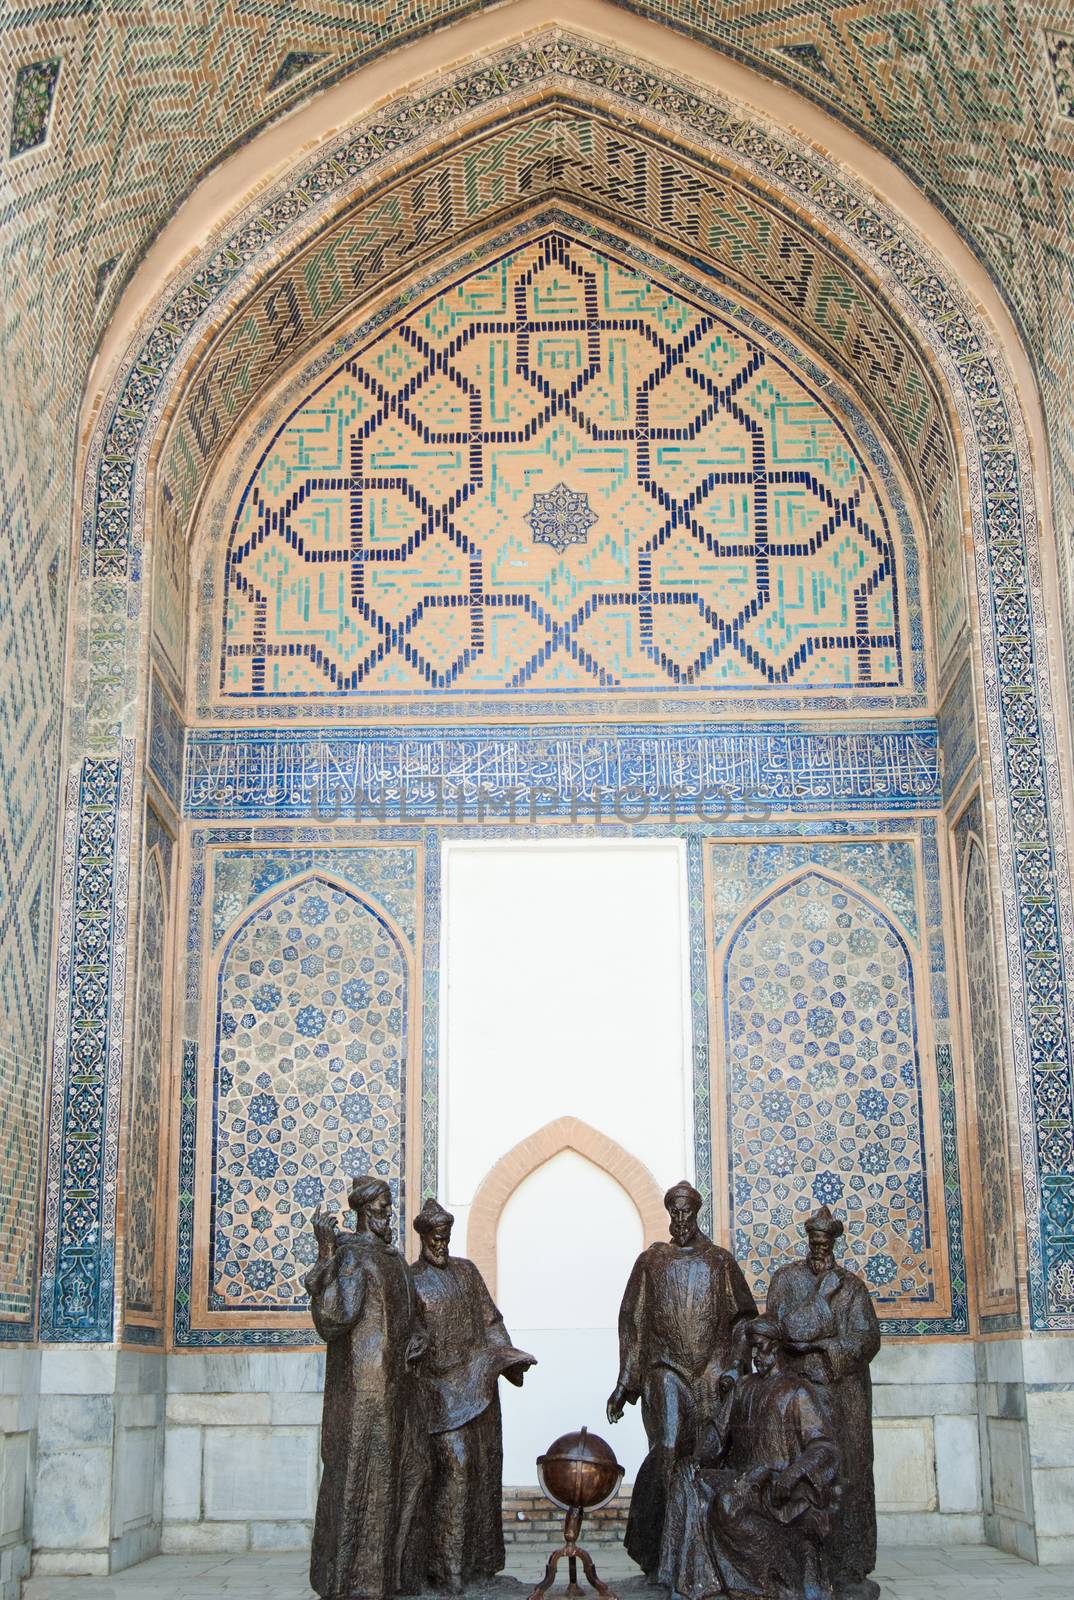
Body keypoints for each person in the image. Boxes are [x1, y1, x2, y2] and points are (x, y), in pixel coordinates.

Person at [606, 1180, 757, 1574]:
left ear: (696, 1212)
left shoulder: (720, 1261)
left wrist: (735, 1366)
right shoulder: (652, 1262)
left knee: (710, 1457)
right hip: (665, 1370)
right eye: (674, 1211)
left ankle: (705, 1555)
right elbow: (633, 1323)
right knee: (669, 1447)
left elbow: (743, 1322)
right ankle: (654, 1547)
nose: (680, 1218)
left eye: (686, 1211)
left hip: (710, 1373)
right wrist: (626, 1382)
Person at [305, 1177, 428, 1600]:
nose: (386, 1214)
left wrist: (417, 1337)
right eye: (379, 1207)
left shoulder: (391, 1258)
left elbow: (409, 1317)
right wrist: (325, 1255)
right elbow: (334, 1318)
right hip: (365, 1390)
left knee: (407, 1472)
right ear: (362, 1210)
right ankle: (354, 1582)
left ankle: (390, 1577)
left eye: (388, 1206)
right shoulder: (353, 1258)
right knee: (362, 1477)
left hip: (398, 1386)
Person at [658, 1318, 842, 1600]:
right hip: (744, 1478)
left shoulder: (797, 1391)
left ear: (776, 1346)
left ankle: (773, 1575)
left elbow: (824, 1446)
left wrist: (794, 1473)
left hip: (779, 1488)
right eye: (752, 1348)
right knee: (686, 1480)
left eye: (759, 1347)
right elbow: (718, 1434)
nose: (755, 1355)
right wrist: (697, 1457)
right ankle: (692, 1584)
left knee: (728, 1504)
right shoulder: (743, 1387)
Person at [410, 1198, 536, 1593]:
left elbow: (490, 1320)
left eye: (445, 1237)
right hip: (439, 1394)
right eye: (434, 1238)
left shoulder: (466, 1272)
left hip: (478, 1387)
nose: (440, 1244)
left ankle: (479, 1565)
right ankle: (445, 1571)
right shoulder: (409, 1279)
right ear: (423, 1237)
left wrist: (509, 1357)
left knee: (483, 1473)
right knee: (457, 1469)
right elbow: (404, 1331)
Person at [765, 1207, 881, 1600]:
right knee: (800, 1475)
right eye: (815, 1242)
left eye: (826, 1243)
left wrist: (820, 1347)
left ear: (833, 1243)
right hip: (800, 1395)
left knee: (848, 1473)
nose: (820, 1248)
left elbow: (865, 1340)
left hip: (843, 1396)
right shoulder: (787, 1280)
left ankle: (848, 1566)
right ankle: (799, 1564)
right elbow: (781, 1331)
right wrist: (821, 1304)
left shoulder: (852, 1287)